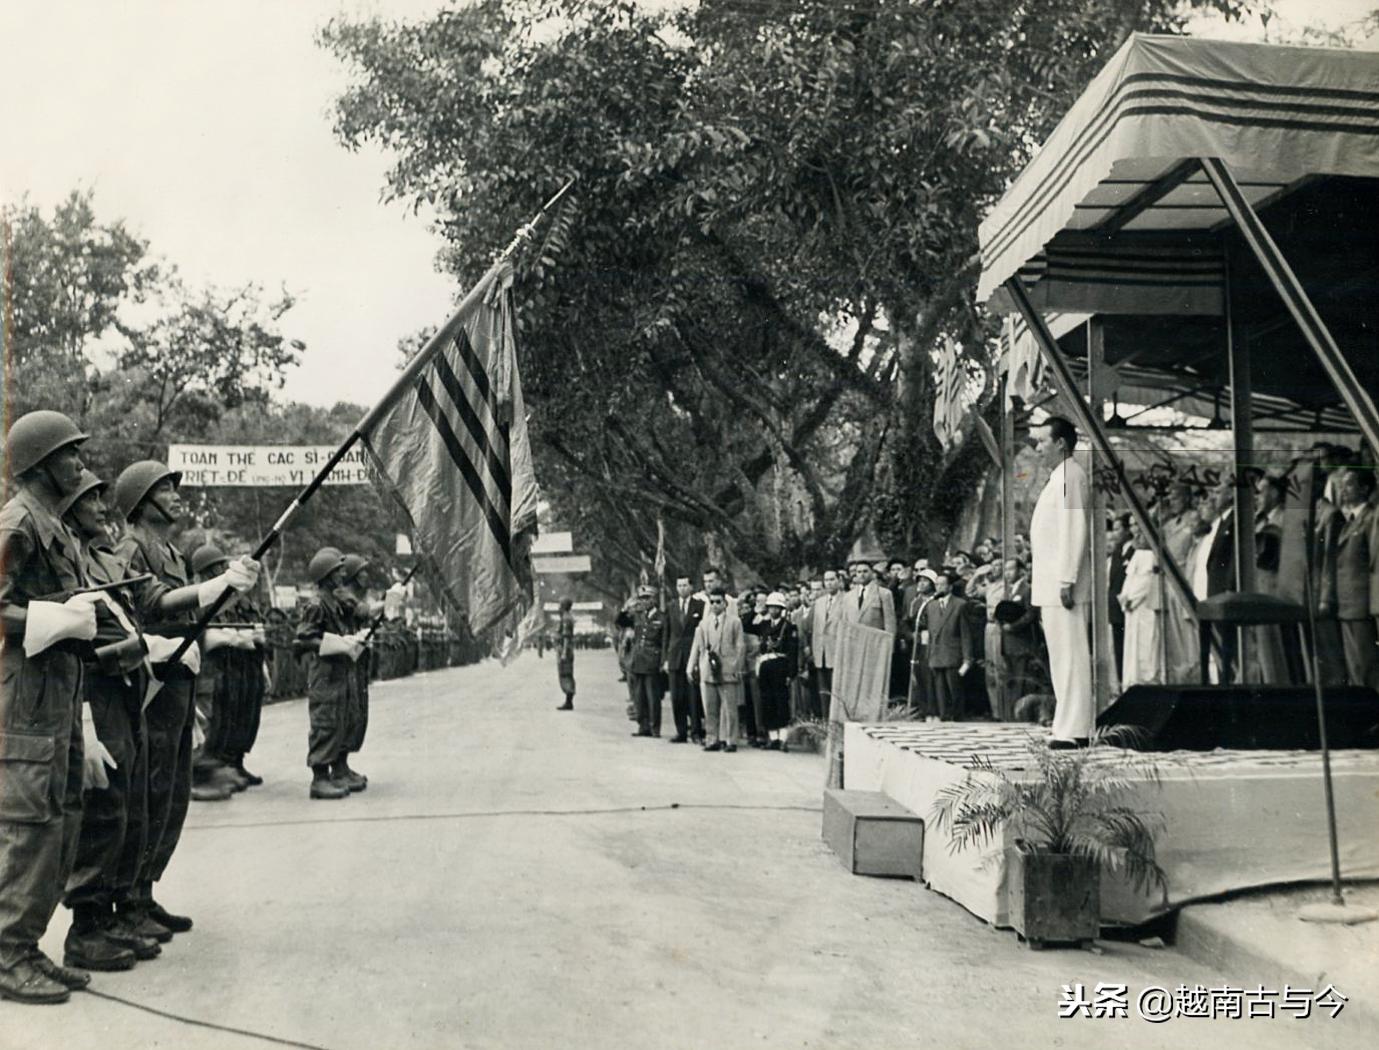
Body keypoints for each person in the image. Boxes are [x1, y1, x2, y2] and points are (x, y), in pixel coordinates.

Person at [113, 459, 259, 937]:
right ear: (141, 500)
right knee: (148, 791)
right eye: (164, 488)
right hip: (151, 680)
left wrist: (230, 588)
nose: (176, 495)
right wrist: (215, 586)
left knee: (172, 794)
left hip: (178, 680)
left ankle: (146, 892)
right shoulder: (131, 548)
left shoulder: (171, 552)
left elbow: (191, 605)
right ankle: (128, 900)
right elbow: (152, 603)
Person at [0, 412, 102, 1003]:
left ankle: (27, 945)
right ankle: (6, 953)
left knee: (60, 821)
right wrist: (51, 617)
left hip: (58, 693)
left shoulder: (54, 526)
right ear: (41, 464)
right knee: (28, 825)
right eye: (71, 456)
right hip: (27, 699)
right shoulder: (18, 523)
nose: (80, 466)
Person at [59, 470, 161, 973]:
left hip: (122, 695)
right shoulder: (71, 563)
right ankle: (86, 926)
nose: (103, 506)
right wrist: (134, 649)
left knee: (126, 809)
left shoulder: (99, 561)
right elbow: (83, 647)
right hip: (95, 698)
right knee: (102, 811)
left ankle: (113, 912)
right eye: (92, 499)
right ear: (70, 506)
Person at [1028, 416, 1093, 748]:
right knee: (1061, 657)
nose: (1038, 448)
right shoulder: (1059, 478)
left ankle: (1075, 729)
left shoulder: (1071, 476)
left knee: (1071, 656)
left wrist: (1067, 578)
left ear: (1061, 444)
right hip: (1052, 584)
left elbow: (1074, 528)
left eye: (1042, 441)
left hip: (1062, 584)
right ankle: (1065, 725)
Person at [294, 547, 363, 799]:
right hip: (324, 672)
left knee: (342, 719)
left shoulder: (333, 602)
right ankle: (319, 777)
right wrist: (335, 643)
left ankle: (339, 768)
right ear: (327, 575)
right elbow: (304, 638)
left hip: (339, 669)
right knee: (325, 722)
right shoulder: (316, 605)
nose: (343, 574)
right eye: (338, 570)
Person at [1327, 467, 1378, 690]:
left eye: (1350, 484)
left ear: (1365, 488)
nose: (1343, 489)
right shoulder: (1351, 520)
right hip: (1347, 602)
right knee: (1355, 664)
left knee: (1366, 662)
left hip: (1361, 602)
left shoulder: (1370, 518)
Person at [687, 589, 745, 752]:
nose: (715, 605)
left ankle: (730, 740)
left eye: (718, 602)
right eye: (712, 602)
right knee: (710, 707)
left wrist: (737, 667)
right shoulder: (704, 624)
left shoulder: (735, 622)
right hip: (709, 670)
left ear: (725, 604)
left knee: (729, 708)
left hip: (728, 669)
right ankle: (712, 739)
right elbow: (698, 646)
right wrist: (692, 666)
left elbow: (740, 646)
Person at [337, 554, 373, 790]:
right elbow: (361, 612)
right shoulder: (343, 595)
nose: (366, 576)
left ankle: (344, 764)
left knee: (357, 712)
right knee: (346, 713)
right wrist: (389, 601)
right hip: (343, 662)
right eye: (361, 572)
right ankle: (338, 767)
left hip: (356, 660)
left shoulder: (352, 595)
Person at [917, 571, 974, 720]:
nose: (939, 587)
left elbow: (966, 633)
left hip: (953, 653)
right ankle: (944, 717)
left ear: (950, 587)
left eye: (942, 584)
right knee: (939, 691)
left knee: (954, 689)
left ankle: (957, 718)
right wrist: (928, 654)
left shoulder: (960, 604)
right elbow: (929, 631)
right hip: (936, 653)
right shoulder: (931, 605)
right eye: (936, 584)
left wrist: (967, 658)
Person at [745, 592, 798, 749]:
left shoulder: (789, 627)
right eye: (770, 607)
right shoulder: (764, 625)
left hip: (780, 665)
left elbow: (793, 652)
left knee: (781, 701)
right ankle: (772, 737)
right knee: (767, 701)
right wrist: (756, 611)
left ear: (781, 608)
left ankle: (783, 738)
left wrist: (791, 673)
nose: (773, 610)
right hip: (765, 665)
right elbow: (746, 625)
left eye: (776, 607)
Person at [1118, 519, 1163, 689]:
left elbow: (1145, 582)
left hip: (1144, 607)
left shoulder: (1150, 555)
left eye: (1141, 531)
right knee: (1132, 649)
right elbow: (1128, 582)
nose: (1136, 534)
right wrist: (1124, 598)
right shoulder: (1136, 554)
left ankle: (1145, 683)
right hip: (1131, 610)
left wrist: (1131, 599)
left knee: (1145, 648)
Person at [663, 576, 704, 743]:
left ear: (691, 587)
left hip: (691, 655)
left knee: (693, 696)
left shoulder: (700, 606)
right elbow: (667, 634)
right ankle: (681, 732)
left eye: (685, 585)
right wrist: (665, 658)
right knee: (677, 697)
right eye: (679, 585)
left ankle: (696, 731)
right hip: (674, 656)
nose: (681, 588)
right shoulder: (671, 606)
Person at [627, 585, 667, 738]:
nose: (644, 602)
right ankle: (643, 727)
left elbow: (664, 641)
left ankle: (654, 728)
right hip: (638, 660)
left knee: (653, 696)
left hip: (652, 659)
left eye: (647, 598)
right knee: (639, 696)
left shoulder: (662, 617)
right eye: (642, 598)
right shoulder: (638, 615)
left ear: (654, 600)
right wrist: (629, 605)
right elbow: (620, 621)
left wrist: (663, 661)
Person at [810, 569, 846, 717]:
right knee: (823, 692)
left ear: (839, 580)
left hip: (837, 651)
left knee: (837, 692)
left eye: (832, 579)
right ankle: (826, 725)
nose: (829, 583)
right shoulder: (819, 602)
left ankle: (838, 724)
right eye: (827, 580)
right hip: (821, 653)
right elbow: (815, 628)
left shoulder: (847, 600)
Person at [555, 598, 577, 709]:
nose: (558, 607)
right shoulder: (566, 617)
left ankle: (569, 702)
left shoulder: (566, 619)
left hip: (565, 649)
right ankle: (568, 700)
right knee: (566, 673)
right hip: (565, 649)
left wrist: (564, 652)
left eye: (560, 604)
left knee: (566, 674)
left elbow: (566, 636)